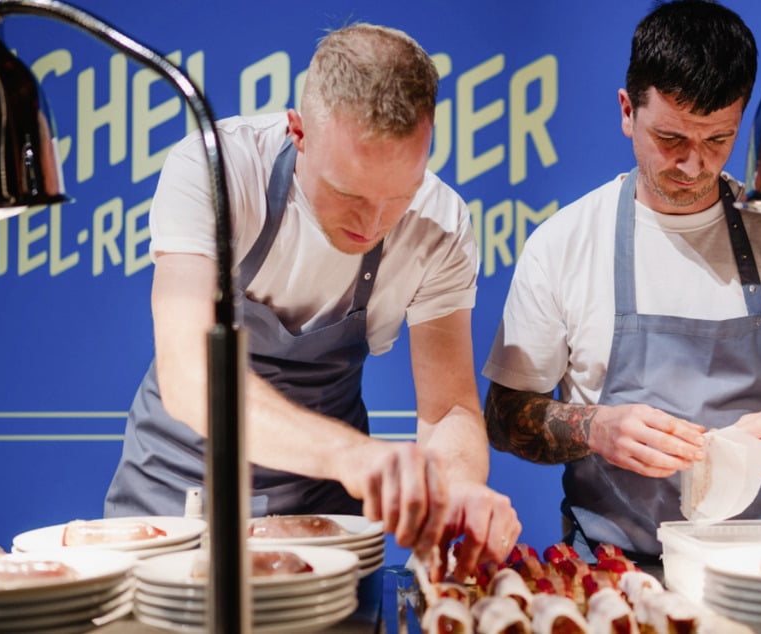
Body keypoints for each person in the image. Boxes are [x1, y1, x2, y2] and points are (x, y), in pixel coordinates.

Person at [104, 22, 520, 580]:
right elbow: (191, 376)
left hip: (324, 527)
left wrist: (457, 490)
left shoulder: (440, 225)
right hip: (178, 505)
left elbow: (449, 409)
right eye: (348, 193)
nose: (372, 224)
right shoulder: (215, 170)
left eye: (399, 196)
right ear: (298, 132)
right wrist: (355, 457)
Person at [482, 0, 761, 566]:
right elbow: (503, 416)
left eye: (717, 140)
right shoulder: (564, 243)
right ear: (627, 111)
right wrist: (594, 427)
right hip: (611, 569)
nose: (693, 166)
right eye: (671, 139)